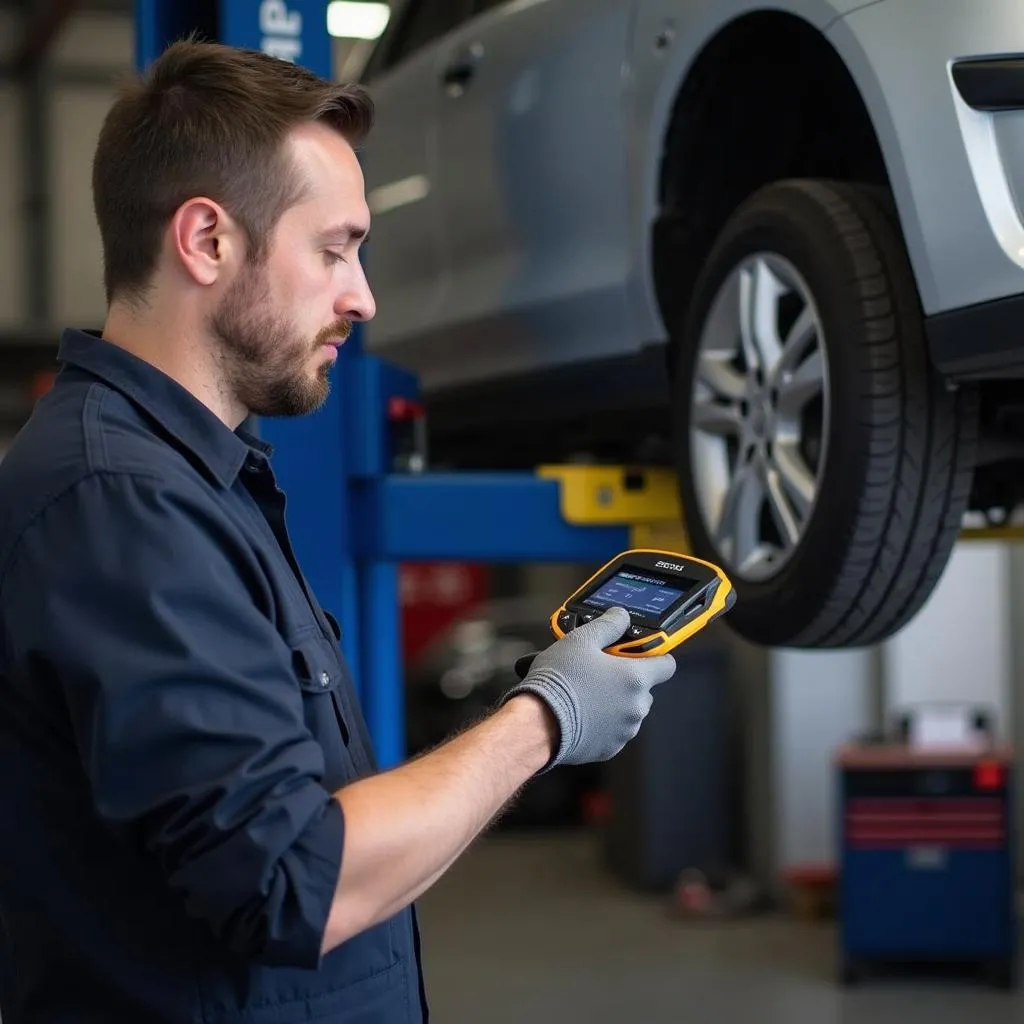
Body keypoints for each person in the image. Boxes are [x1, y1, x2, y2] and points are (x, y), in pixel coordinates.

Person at [0, 40, 678, 1023]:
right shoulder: (122, 503)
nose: (362, 296)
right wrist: (544, 719)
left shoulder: (192, 481)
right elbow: (290, 879)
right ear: (206, 241)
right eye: (332, 249)